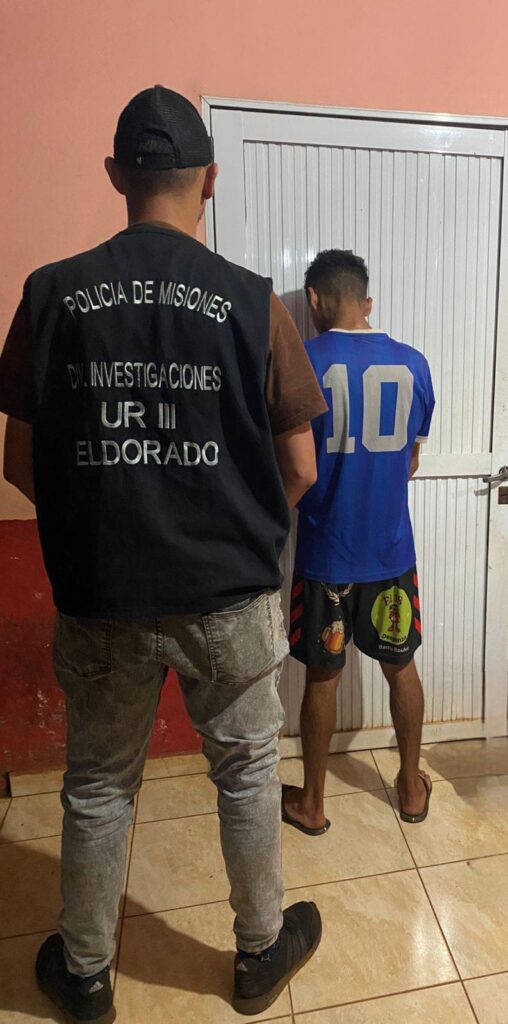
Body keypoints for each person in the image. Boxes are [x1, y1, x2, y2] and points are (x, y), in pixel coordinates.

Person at [0, 86, 327, 1023]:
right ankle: (258, 955)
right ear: (209, 180)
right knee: (248, 775)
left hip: (102, 594)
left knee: (99, 787)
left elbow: (20, 462)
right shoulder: (253, 302)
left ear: (116, 177)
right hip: (229, 597)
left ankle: (86, 975)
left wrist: (105, 526)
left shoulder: (51, 293)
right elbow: (300, 466)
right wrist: (241, 528)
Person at [282, 250, 435, 838]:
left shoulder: (304, 361)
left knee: (323, 677)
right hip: (391, 553)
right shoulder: (415, 365)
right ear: (366, 300)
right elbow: (410, 461)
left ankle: (313, 804)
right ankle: (411, 786)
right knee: (402, 668)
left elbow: (293, 465)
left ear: (314, 299)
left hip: (326, 556)